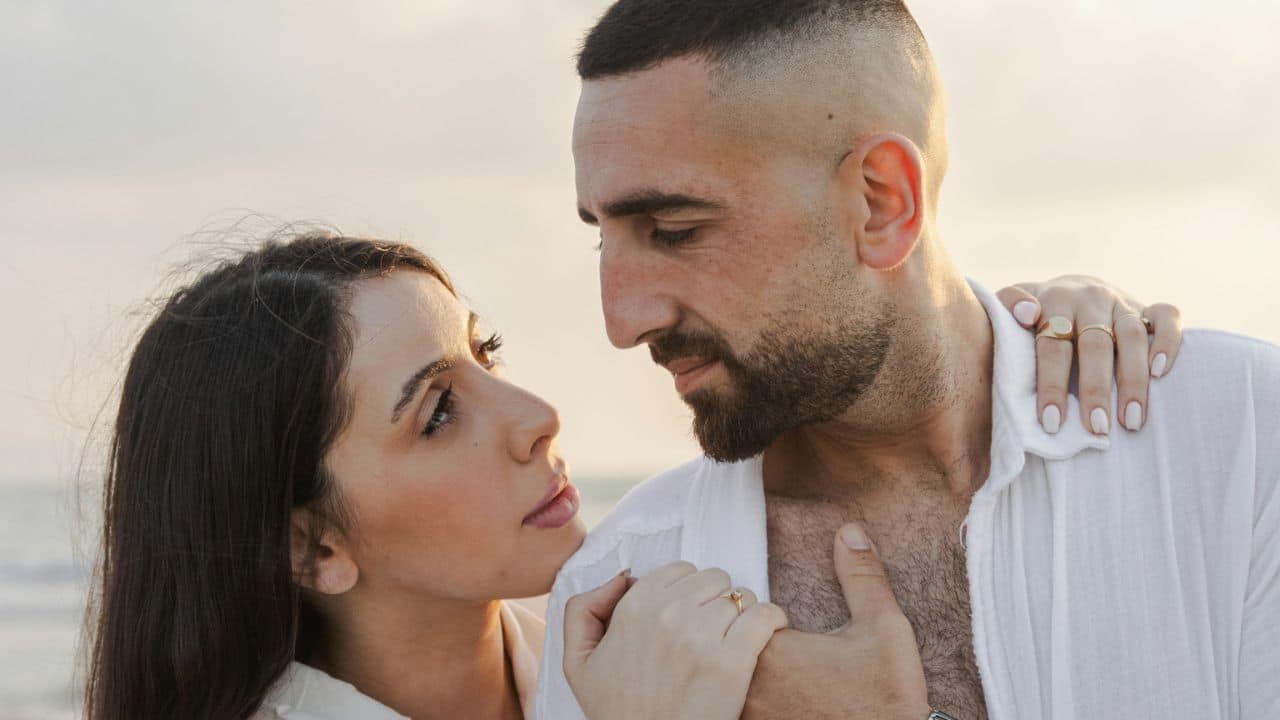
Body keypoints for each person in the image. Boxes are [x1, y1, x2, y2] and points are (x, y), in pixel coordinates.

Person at [539, 2, 1280, 719]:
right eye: (602, 237)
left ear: (881, 202)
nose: (623, 321)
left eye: (673, 230)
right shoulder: (615, 609)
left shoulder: (1242, 444)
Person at [82, 233, 1171, 720]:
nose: (537, 418)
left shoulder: (629, 618)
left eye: (486, 353)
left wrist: (1006, 345)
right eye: (439, 412)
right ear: (312, 544)